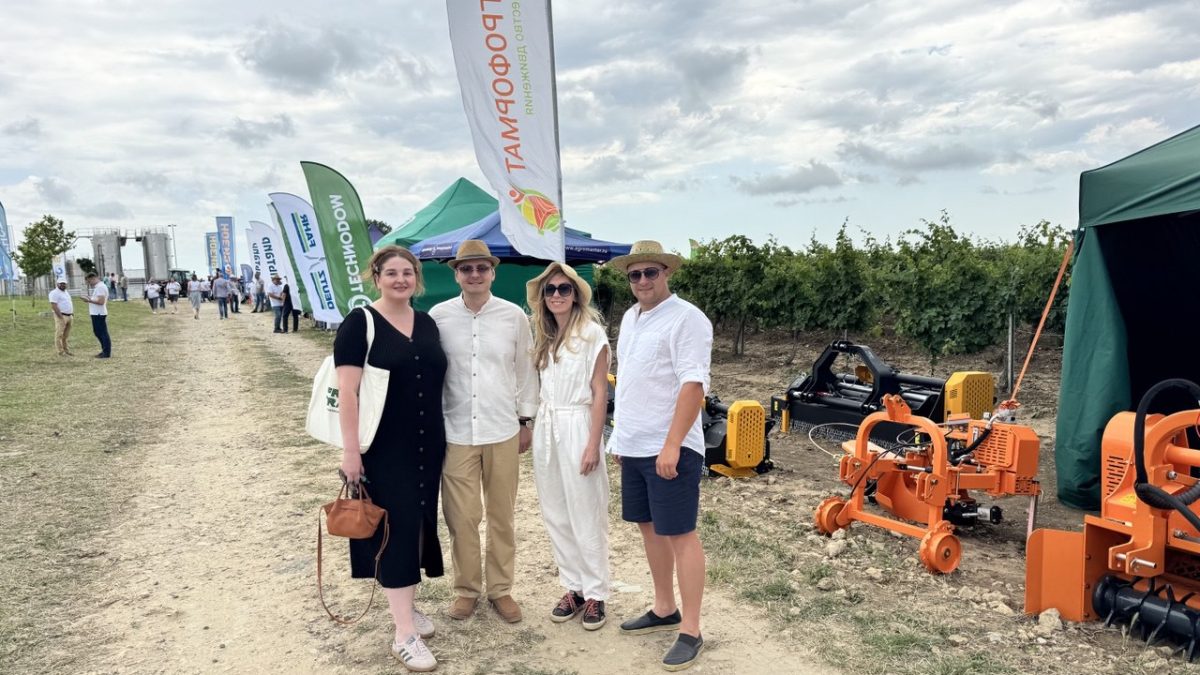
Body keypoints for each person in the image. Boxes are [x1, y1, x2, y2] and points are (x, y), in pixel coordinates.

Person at [334, 245, 447, 672]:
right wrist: (351, 451)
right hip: (383, 449)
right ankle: (403, 634)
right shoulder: (359, 323)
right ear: (376, 277)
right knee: (394, 531)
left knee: (418, 526)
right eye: (392, 273)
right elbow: (347, 392)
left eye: (407, 272)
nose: (400, 279)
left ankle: (407, 608)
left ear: (417, 277)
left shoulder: (427, 322)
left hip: (428, 444)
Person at [607, 240, 712, 671]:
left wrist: (672, 444)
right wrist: (620, 438)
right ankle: (664, 607)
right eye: (635, 274)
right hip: (635, 444)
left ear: (667, 273)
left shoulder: (687, 318)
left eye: (651, 272)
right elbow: (632, 381)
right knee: (649, 528)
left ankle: (691, 629)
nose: (643, 280)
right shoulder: (631, 317)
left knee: (680, 534)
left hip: (669, 447)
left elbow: (693, 384)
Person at [429, 240, 538, 624]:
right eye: (466, 268)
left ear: (492, 272)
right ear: (456, 274)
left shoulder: (513, 316)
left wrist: (526, 421)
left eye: (481, 268)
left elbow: (526, 371)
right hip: (456, 431)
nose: (474, 274)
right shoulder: (439, 316)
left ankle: (501, 589)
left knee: (501, 516)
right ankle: (466, 590)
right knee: (461, 517)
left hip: (502, 429)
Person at [526, 262, 612, 630]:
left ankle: (596, 593)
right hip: (547, 426)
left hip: (578, 424)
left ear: (575, 294)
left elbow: (599, 392)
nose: (557, 295)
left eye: (564, 288)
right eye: (551, 290)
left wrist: (593, 444)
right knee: (556, 511)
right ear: (544, 298)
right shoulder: (545, 336)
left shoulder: (592, 335)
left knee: (586, 509)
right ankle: (573, 587)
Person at [81, 272, 112, 358]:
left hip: (98, 313)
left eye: (89, 281)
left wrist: (89, 300)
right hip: (97, 313)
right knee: (98, 332)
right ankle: (105, 351)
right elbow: (98, 299)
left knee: (102, 333)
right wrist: (90, 299)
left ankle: (106, 352)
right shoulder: (99, 287)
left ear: (93, 278)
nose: (89, 284)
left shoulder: (100, 287)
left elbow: (101, 301)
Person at [48, 278, 75, 356]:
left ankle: (66, 350)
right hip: (61, 316)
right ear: (57, 284)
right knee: (59, 334)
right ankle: (60, 351)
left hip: (69, 316)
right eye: (61, 283)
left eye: (64, 283)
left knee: (66, 335)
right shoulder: (54, 293)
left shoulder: (66, 292)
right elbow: (54, 305)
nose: (63, 285)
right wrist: (60, 317)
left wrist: (71, 313)